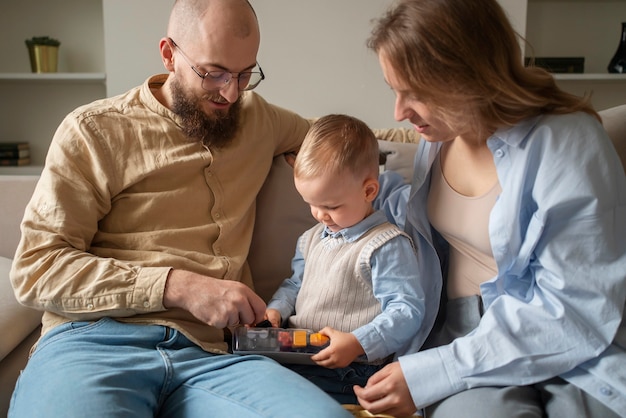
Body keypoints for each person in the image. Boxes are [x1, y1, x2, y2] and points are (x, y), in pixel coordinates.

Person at [8, 1, 355, 417]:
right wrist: (178, 286)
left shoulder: (257, 118)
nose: (231, 92)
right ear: (169, 54)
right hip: (95, 343)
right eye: (213, 73)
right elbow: (36, 269)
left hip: (214, 356)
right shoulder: (94, 131)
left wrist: (438, 134)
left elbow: (343, 137)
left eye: (246, 74)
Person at [353, 0, 626, 417]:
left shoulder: (568, 142)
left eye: (417, 92)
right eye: (395, 89)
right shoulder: (437, 136)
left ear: (468, 74)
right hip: (461, 332)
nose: (399, 113)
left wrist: (434, 371)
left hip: (562, 335)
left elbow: (574, 308)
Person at [265, 114, 428, 405]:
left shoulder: (387, 245)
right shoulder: (311, 237)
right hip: (297, 351)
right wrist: (276, 309)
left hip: (350, 367)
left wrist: (358, 342)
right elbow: (294, 284)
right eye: (311, 204)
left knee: (282, 399)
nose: (319, 215)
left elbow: (406, 310)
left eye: (330, 206)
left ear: (369, 191)